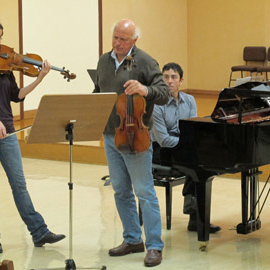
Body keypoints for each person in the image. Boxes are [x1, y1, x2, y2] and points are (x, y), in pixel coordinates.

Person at [0, 16, 65, 254]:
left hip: (6, 131)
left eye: (0, 36)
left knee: (19, 184)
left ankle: (39, 232)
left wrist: (39, 78)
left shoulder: (4, 64)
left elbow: (17, 95)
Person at [93, 19, 170, 267]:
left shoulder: (146, 61)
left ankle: (155, 246)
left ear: (134, 41)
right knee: (121, 190)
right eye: (115, 37)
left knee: (145, 192)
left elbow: (164, 93)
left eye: (123, 39)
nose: (117, 43)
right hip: (110, 134)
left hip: (136, 135)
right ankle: (132, 239)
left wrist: (144, 89)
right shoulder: (103, 62)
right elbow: (98, 91)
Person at [151, 62, 221, 234]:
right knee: (196, 157)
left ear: (181, 81)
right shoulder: (156, 105)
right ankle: (195, 214)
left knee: (204, 159)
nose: (169, 81)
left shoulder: (189, 100)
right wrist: (187, 144)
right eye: (166, 77)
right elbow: (164, 140)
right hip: (160, 151)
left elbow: (192, 129)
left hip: (182, 147)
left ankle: (195, 213)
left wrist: (189, 144)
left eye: (173, 77)